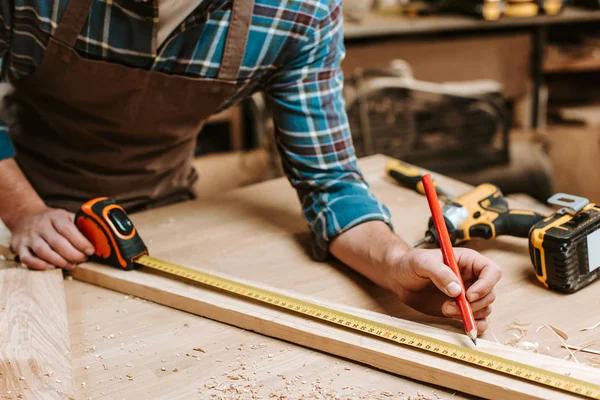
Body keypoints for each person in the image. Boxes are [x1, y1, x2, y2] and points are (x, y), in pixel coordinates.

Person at [0, 0, 500, 334]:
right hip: (13, 208)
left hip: (164, 212)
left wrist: (396, 267)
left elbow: (329, 182)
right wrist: (22, 211)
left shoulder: (297, 11)